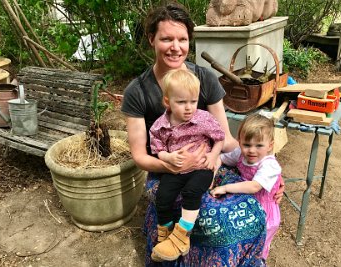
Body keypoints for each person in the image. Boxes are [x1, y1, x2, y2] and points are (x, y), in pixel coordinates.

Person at [121, 2, 284, 266]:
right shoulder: (137, 91)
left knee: (251, 212)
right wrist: (169, 163)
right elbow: (140, 156)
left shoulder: (204, 79)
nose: (176, 47)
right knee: (210, 218)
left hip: (210, 164)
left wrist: (268, 168)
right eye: (166, 39)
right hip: (165, 171)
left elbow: (227, 139)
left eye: (182, 39)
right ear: (152, 39)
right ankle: (174, 248)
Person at [149, 69, 225, 261]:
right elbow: (157, 149)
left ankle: (182, 237)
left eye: (193, 101)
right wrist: (168, 158)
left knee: (192, 192)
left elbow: (220, 137)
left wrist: (214, 155)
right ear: (168, 101)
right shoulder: (160, 126)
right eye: (181, 102)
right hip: (175, 170)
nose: (189, 107)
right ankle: (164, 236)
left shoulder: (203, 119)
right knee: (163, 197)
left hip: (201, 167)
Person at [210, 113, 282, 260]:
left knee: (257, 247)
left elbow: (254, 186)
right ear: (239, 141)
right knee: (243, 242)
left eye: (259, 145)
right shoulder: (241, 154)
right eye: (247, 144)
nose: (252, 150)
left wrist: (225, 188)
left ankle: (258, 261)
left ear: (270, 145)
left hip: (264, 213)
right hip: (245, 206)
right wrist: (213, 173)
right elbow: (221, 158)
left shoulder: (269, 164)